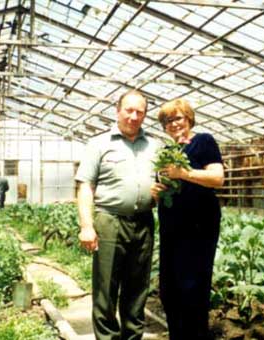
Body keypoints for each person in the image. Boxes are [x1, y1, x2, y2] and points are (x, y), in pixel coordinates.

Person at [75, 89, 161, 340]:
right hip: (109, 220)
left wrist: (161, 190)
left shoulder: (154, 146)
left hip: (144, 223)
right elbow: (85, 186)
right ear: (117, 111)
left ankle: (133, 337)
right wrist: (86, 226)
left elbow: (164, 182)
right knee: (106, 289)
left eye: (140, 112)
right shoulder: (99, 144)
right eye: (129, 110)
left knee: (138, 289)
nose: (134, 117)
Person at [151, 98, 224, 340]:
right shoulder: (166, 152)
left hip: (199, 225)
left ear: (189, 118)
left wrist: (184, 173)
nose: (173, 124)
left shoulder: (203, 141)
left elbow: (217, 178)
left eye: (178, 118)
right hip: (172, 226)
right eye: (167, 120)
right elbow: (166, 185)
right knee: (169, 289)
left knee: (192, 288)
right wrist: (157, 191)